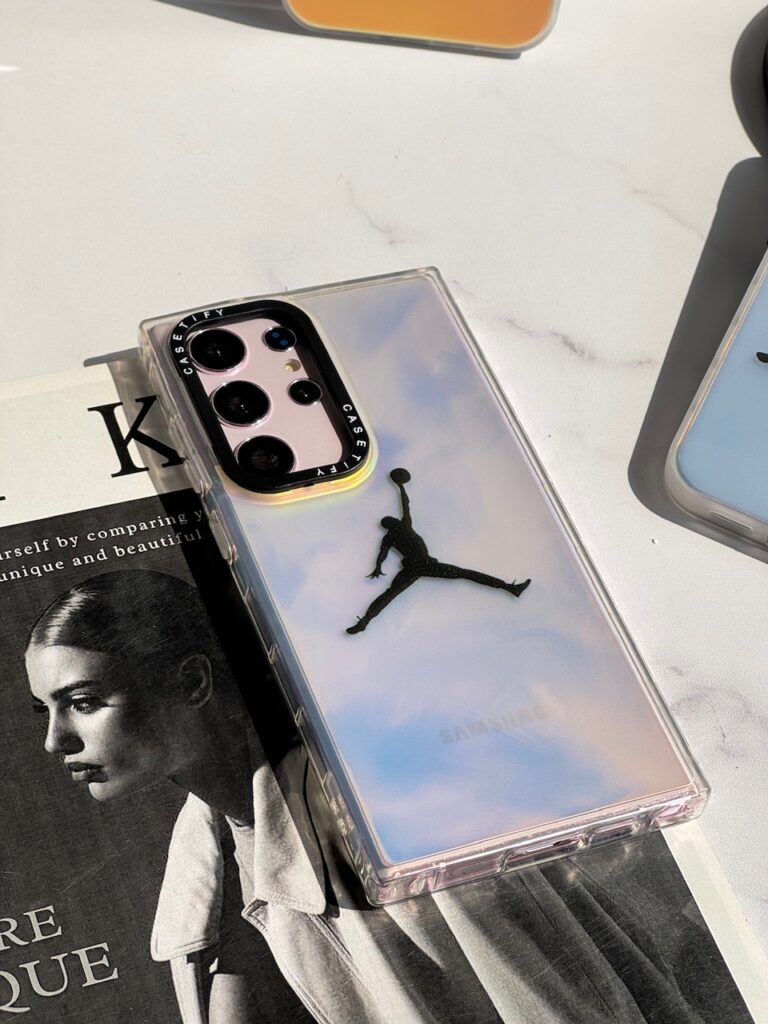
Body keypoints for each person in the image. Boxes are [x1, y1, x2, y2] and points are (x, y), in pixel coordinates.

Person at [26, 570, 739, 1024]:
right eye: (45, 711)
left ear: (192, 682)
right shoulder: (204, 872)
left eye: (83, 702)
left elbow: (560, 1002)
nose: (56, 741)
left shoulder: (385, 811)